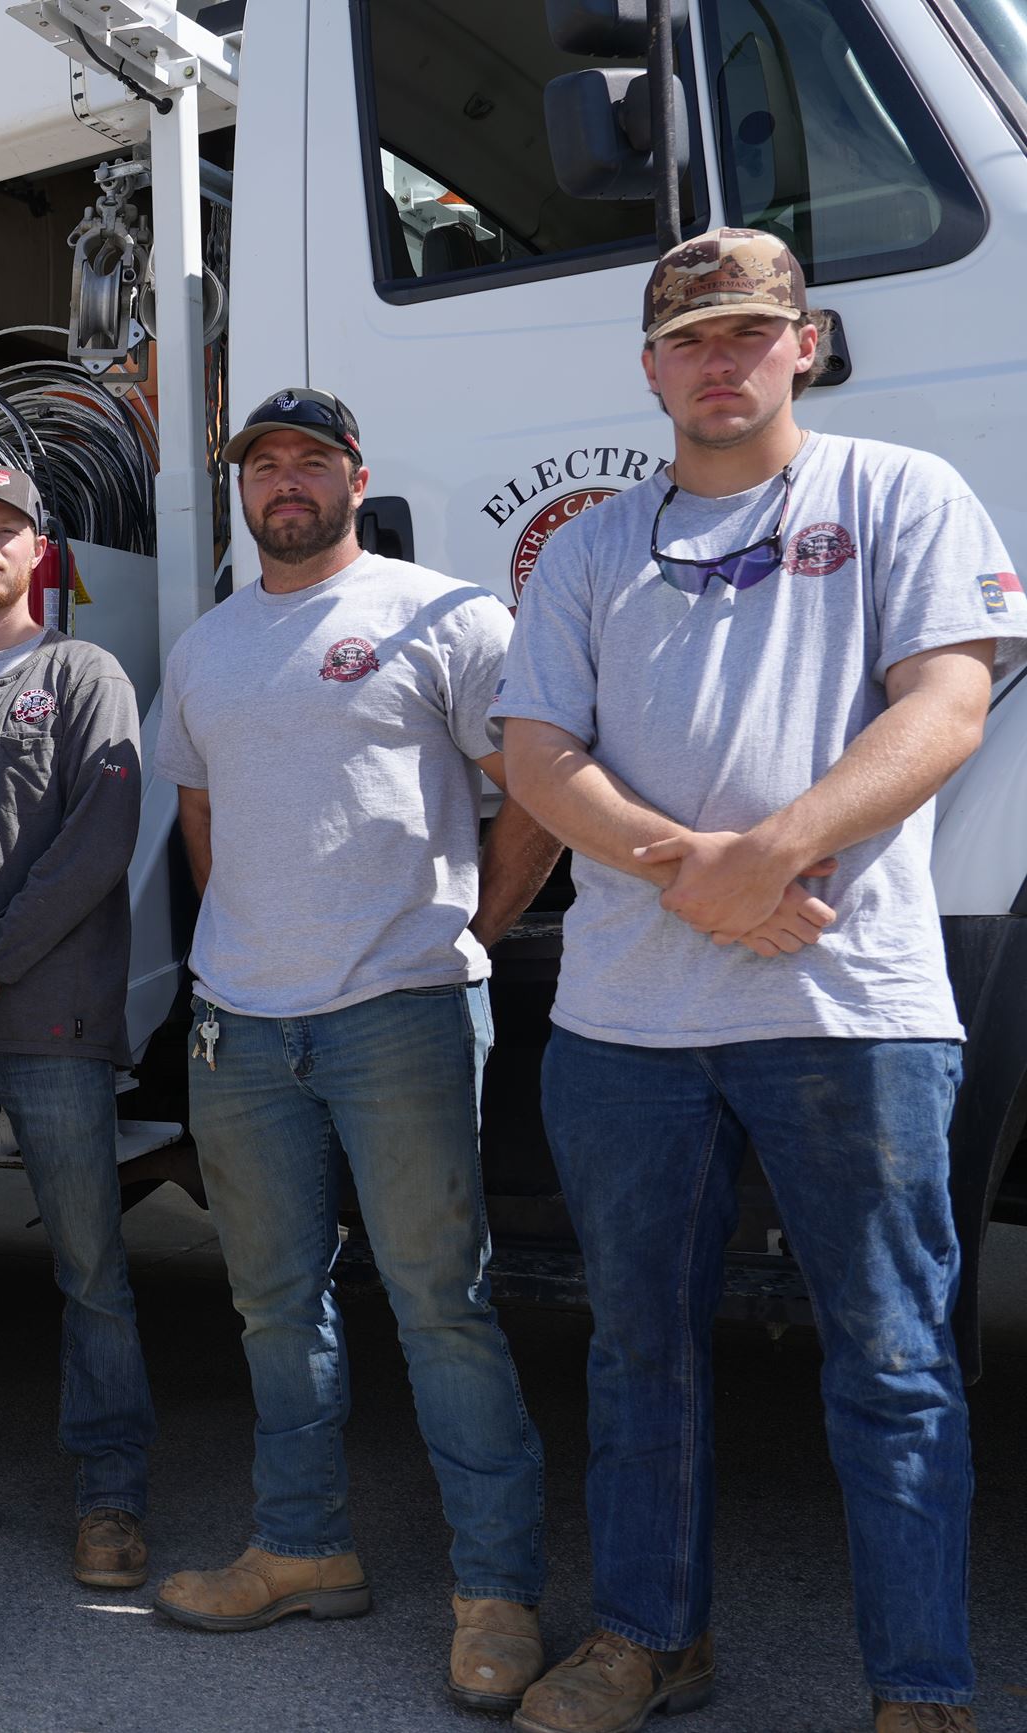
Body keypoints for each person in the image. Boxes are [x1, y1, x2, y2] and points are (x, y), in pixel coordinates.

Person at [496, 230, 1022, 1733]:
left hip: (847, 1015)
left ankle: (920, 1687)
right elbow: (536, 754)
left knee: (895, 1359)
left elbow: (951, 700)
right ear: (648, 365)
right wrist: (695, 870)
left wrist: (776, 846)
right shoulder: (596, 544)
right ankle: (650, 1639)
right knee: (636, 1349)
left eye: (747, 332)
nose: (717, 359)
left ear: (807, 343)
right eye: (687, 338)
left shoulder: (898, 494)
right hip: (625, 1026)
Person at [148, 388, 560, 1713]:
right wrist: (240, 955)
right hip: (241, 1030)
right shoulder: (207, 647)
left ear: (353, 476)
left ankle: (496, 1591)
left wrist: (463, 935)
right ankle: (303, 1547)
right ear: (242, 489)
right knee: (274, 1303)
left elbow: (536, 802)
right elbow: (203, 821)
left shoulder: (442, 614)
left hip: (404, 1014)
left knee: (443, 1304)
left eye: (307, 460)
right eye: (261, 464)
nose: (283, 481)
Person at [0, 464, 156, 1586]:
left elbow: (98, 839)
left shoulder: (82, 671)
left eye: (6, 529)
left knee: (88, 1262)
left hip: (47, 1021)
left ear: (40, 554)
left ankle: (109, 1494)